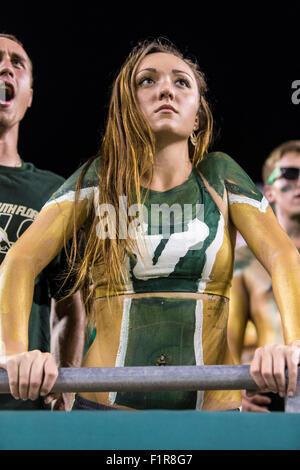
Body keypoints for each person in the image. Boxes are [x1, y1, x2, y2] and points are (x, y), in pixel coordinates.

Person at [0, 38, 300, 411]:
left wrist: (294, 344)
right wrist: (13, 352)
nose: (165, 90)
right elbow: (20, 259)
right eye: (147, 81)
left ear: (198, 116)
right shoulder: (98, 178)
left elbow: (282, 254)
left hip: (211, 415)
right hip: (103, 411)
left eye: (181, 82)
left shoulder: (220, 174)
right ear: (128, 107)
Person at [0, 33, 84, 410]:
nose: (6, 67)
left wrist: (64, 390)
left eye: (18, 63)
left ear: (29, 95)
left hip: (21, 404)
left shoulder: (54, 192)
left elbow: (68, 306)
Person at [228, 140, 300, 412]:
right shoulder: (244, 264)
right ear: (268, 191)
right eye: (289, 175)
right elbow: (227, 344)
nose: (299, 183)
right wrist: (231, 395)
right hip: (272, 396)